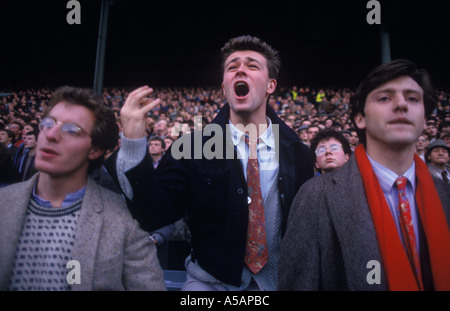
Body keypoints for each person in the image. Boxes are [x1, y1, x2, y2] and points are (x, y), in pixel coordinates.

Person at [105, 35, 314, 290]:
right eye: (232, 66)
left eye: (252, 65)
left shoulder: (298, 153)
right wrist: (134, 144)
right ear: (224, 87)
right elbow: (153, 214)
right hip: (209, 284)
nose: (240, 70)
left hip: (281, 284)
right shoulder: (192, 146)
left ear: (270, 85)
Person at [278, 59, 450, 291]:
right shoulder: (314, 197)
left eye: (412, 98)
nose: (401, 105)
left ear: (425, 118)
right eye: (384, 98)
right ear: (360, 118)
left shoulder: (445, 193)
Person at [0, 86, 165, 291]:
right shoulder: (3, 203)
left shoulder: (123, 220)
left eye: (71, 130)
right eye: (47, 124)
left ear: (95, 150)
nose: (50, 134)